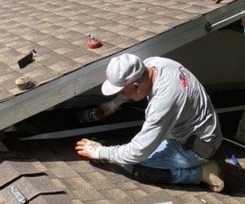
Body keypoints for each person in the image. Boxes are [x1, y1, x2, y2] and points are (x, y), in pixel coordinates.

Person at [75, 53, 225, 191]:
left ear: (135, 86)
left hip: (196, 147)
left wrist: (100, 152)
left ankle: (201, 172)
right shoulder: (154, 64)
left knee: (132, 164)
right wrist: (112, 105)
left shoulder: (164, 100)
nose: (121, 94)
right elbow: (131, 89)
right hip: (192, 133)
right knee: (122, 151)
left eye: (121, 91)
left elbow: (137, 151)